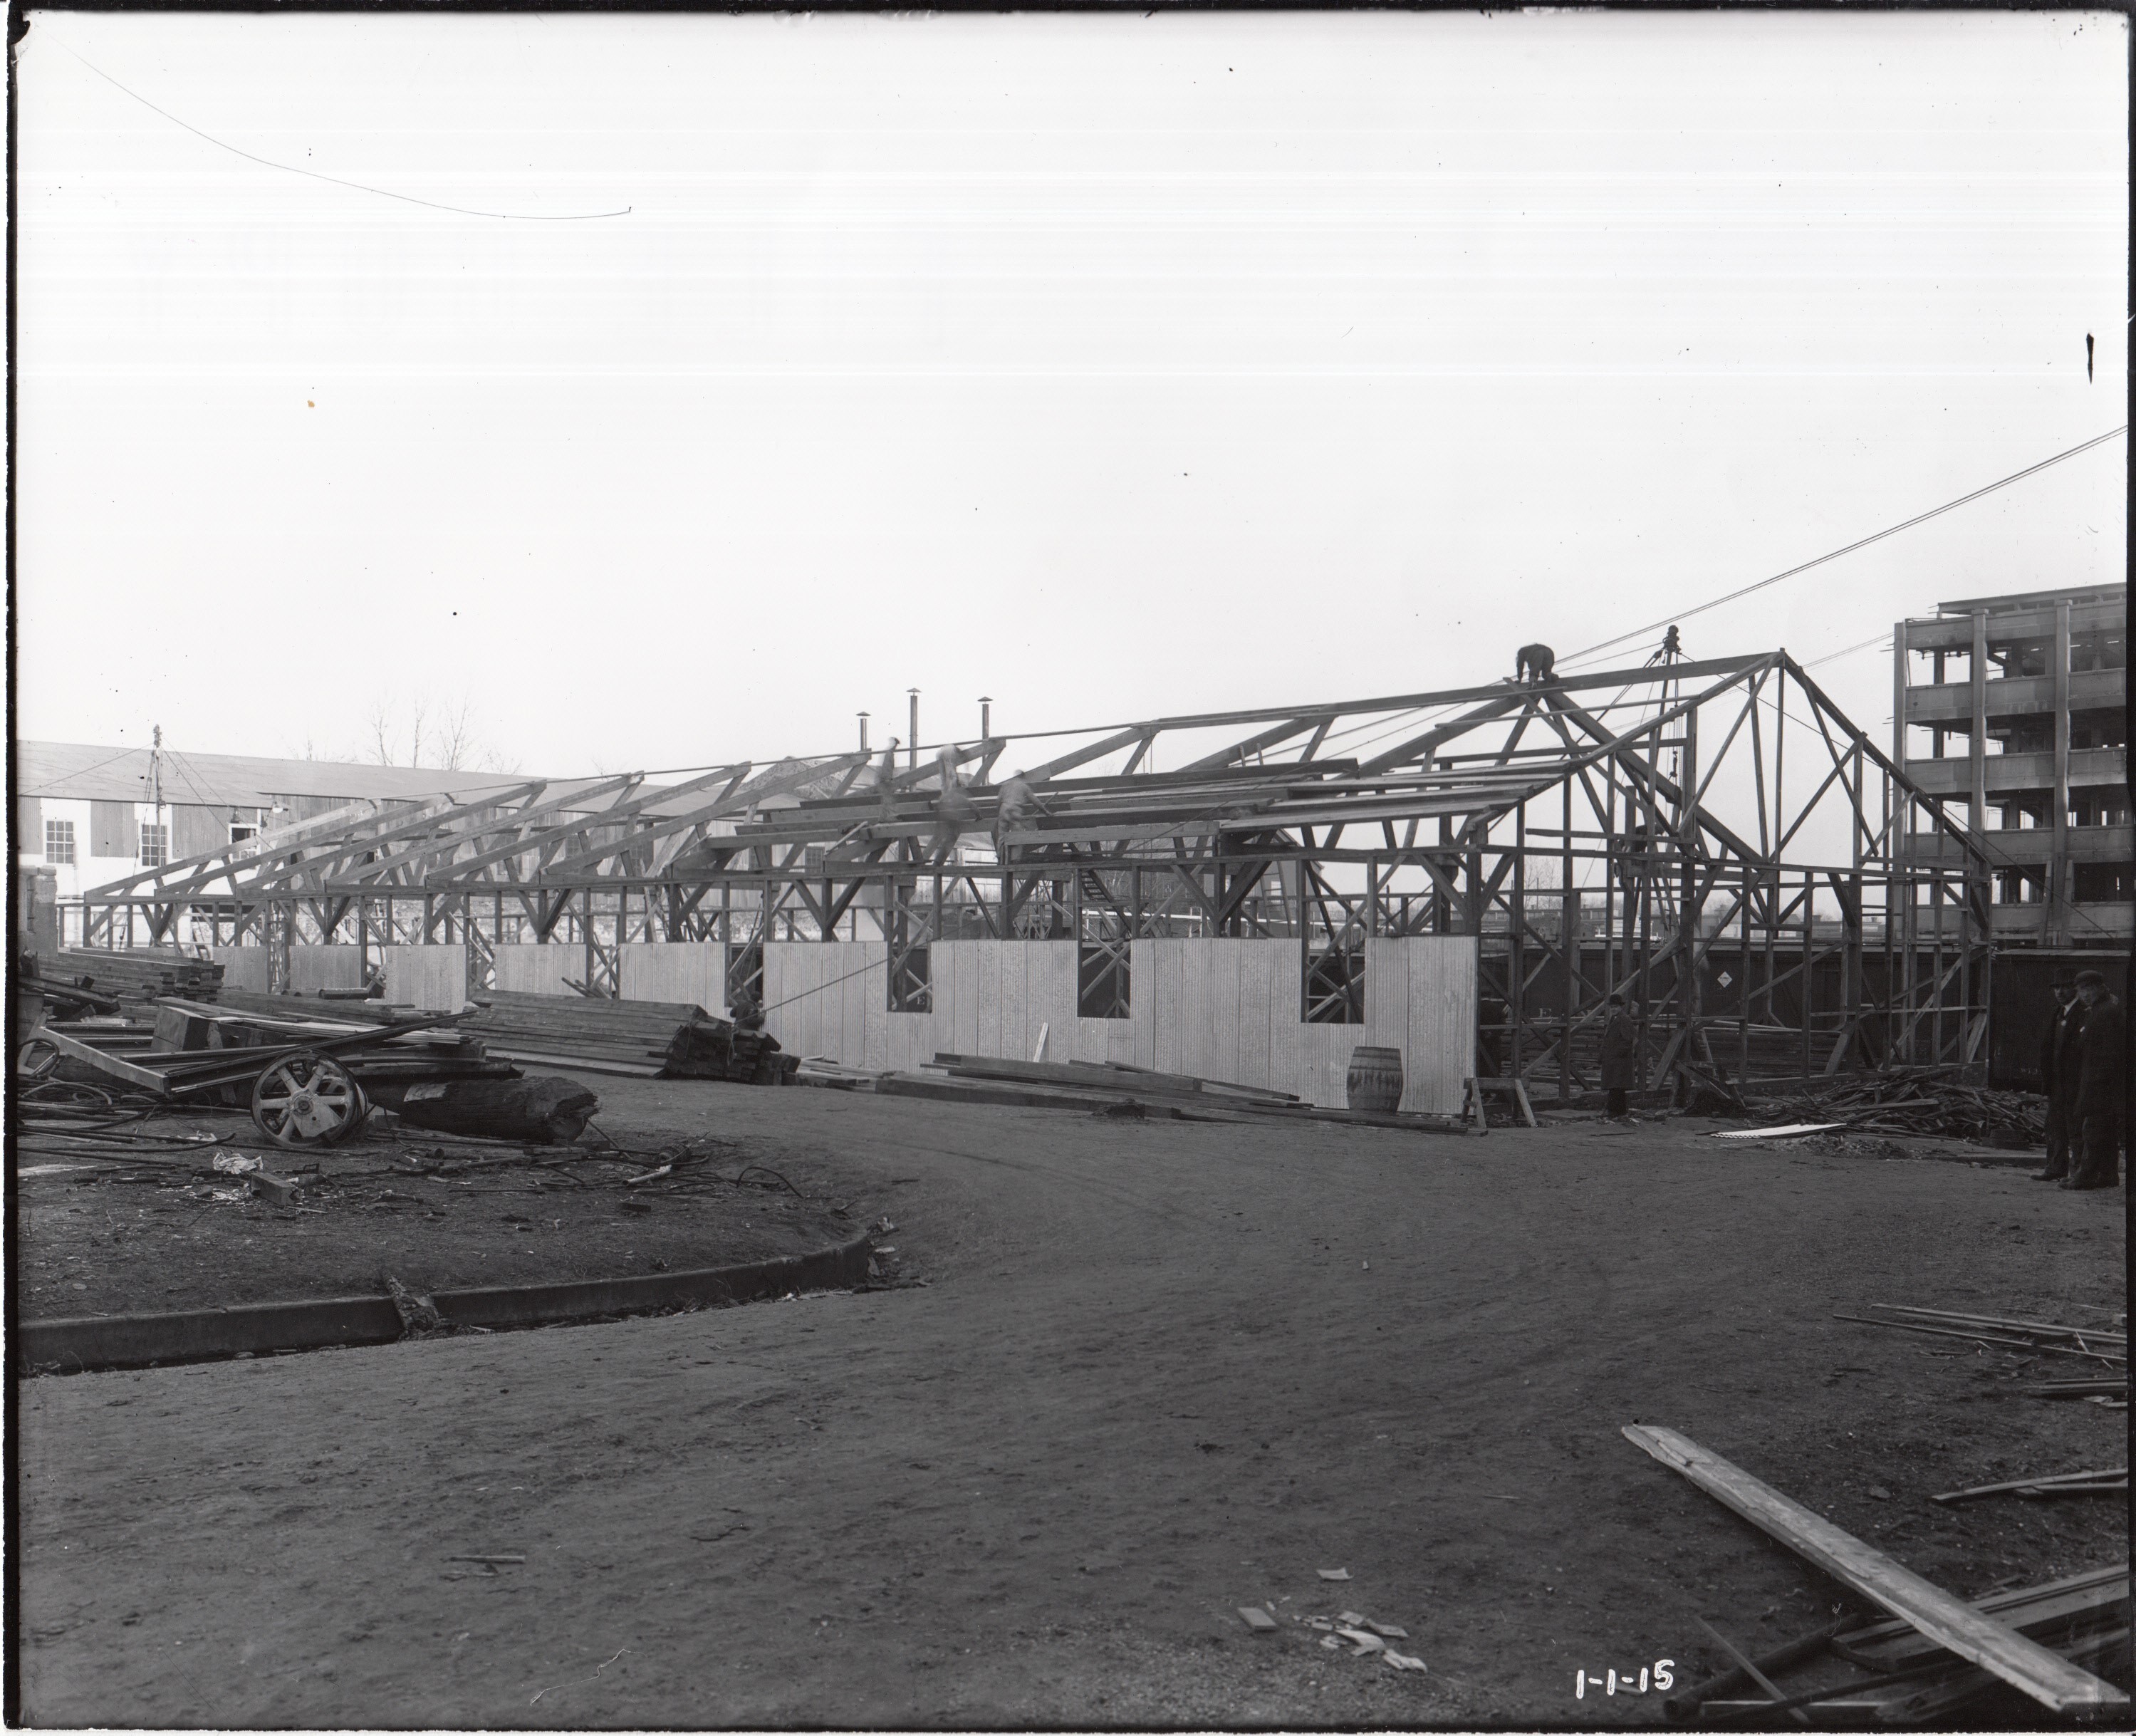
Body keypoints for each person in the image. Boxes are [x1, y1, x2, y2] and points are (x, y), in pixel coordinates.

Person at [2064, 970, 2125, 1190]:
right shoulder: (2102, 1010)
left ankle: (2086, 1176)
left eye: (2089, 989)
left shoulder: (2106, 1012)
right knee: (2105, 1131)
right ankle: (2108, 1175)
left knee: (2093, 1130)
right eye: (2081, 990)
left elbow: (2109, 1053)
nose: (2084, 995)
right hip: (2101, 1082)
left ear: (2101, 988)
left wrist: (2099, 1081)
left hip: (2101, 1085)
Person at [2033, 977, 2085, 1180]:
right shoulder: (2058, 1012)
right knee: (2055, 1127)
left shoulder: (2083, 1013)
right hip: (2056, 1083)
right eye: (2056, 988)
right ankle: (2055, 1168)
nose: (2060, 992)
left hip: (2074, 1083)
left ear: (2075, 989)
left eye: (2064, 987)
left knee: (2075, 1129)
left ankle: (2078, 1173)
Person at [1599, 992, 1639, 1120]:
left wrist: (1615, 1054)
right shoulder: (1614, 1019)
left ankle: (1616, 1111)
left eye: (1616, 1007)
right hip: (1613, 1059)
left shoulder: (1624, 1019)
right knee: (1615, 1086)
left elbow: (1628, 1040)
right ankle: (1618, 1111)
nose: (1613, 1009)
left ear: (1621, 1007)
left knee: (1617, 1086)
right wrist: (1603, 1054)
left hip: (1619, 1060)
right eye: (1612, 1007)